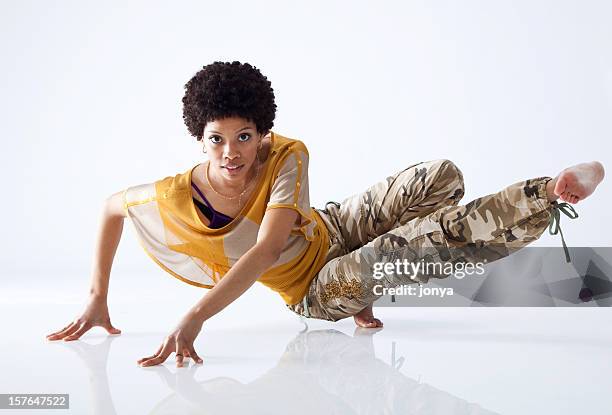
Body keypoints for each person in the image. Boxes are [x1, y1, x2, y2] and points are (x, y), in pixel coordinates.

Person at [46, 61, 606, 368]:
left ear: (262, 133)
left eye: (245, 137)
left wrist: (194, 316)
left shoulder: (287, 152)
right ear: (199, 139)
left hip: (332, 228)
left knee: (443, 176)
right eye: (217, 140)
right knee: (405, 250)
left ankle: (402, 263)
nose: (232, 153)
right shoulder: (170, 195)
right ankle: (546, 196)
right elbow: (109, 207)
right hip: (314, 288)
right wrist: (98, 296)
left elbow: (267, 244)